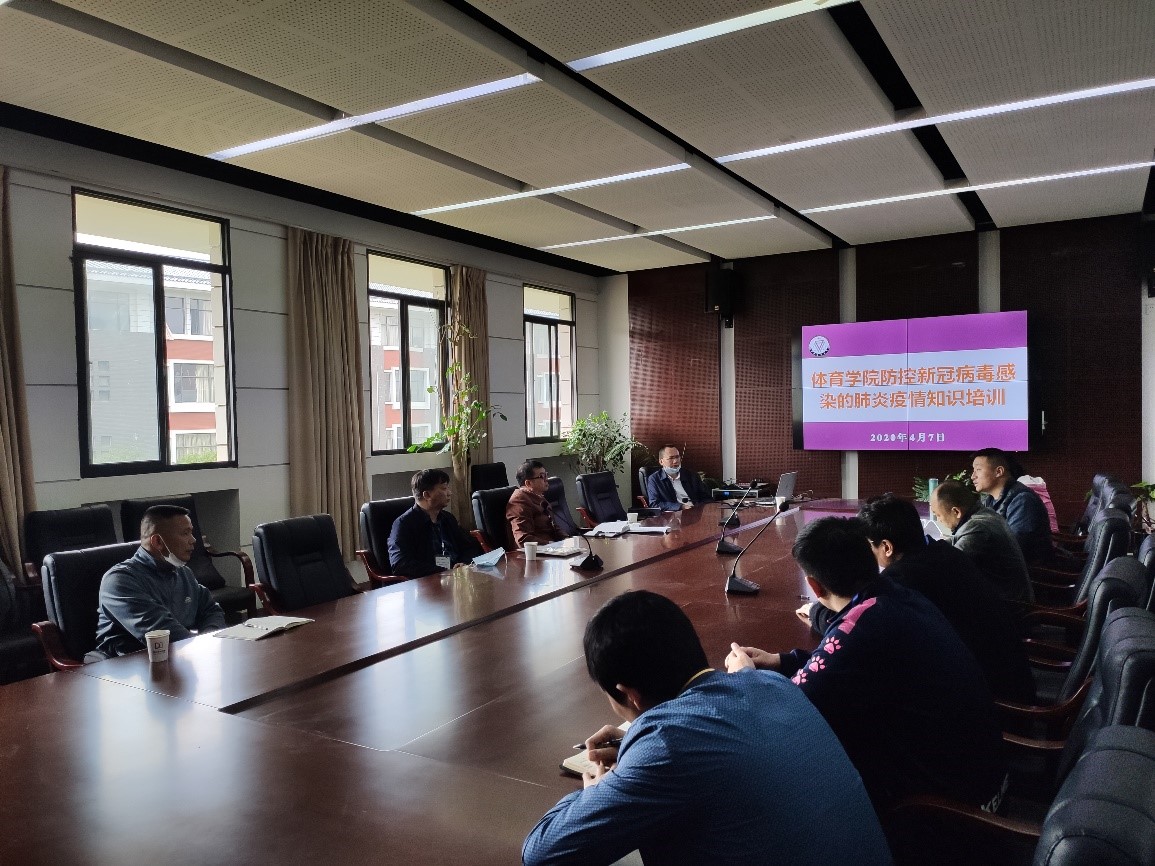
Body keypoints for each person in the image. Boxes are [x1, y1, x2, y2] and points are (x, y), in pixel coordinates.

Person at [523, 590, 891, 866]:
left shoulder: (668, 745)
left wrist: (595, 793)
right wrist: (637, 750)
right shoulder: (771, 683)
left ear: (629, 693)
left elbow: (542, 852)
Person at [726, 517, 1007, 813]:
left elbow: (788, 710)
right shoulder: (894, 595)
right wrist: (782, 661)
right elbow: (847, 665)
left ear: (814, 587)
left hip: (947, 808)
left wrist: (746, 676)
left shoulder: (862, 625)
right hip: (986, 773)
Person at [812, 494, 1034, 703]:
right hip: (1011, 675)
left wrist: (816, 611)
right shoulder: (946, 552)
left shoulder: (901, 581)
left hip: (991, 698)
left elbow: (858, 631)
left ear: (887, 547)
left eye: (867, 545)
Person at [90, 504, 225, 660]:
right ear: (158, 542)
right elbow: (161, 634)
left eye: (191, 532)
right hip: (125, 666)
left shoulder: (183, 573)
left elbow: (212, 610)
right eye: (185, 533)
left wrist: (209, 638)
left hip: (178, 656)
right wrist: (202, 647)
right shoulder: (119, 580)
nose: (193, 540)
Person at [931, 481, 1034, 604]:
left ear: (956, 512)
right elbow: (953, 542)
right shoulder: (984, 514)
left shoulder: (978, 527)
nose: (939, 520)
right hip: (1004, 598)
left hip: (1010, 606)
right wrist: (928, 546)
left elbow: (949, 566)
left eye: (938, 515)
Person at [388, 469, 482, 577]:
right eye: (444, 488)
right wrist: (444, 571)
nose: (449, 493)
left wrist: (463, 563)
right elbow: (400, 564)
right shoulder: (404, 524)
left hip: (456, 578)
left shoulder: (448, 518)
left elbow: (469, 547)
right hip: (428, 581)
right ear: (427, 495)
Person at [971, 447, 1053, 564]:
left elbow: (1014, 546)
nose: (973, 476)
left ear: (999, 471)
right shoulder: (990, 500)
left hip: (1026, 570)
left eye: (978, 469)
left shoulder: (1022, 500)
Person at [506, 460, 568, 549]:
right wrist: (552, 545)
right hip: (535, 553)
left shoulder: (538, 496)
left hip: (552, 549)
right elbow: (523, 539)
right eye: (542, 476)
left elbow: (554, 527)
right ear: (528, 483)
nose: (546, 479)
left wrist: (567, 540)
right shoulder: (519, 501)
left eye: (546, 475)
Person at [644, 445, 711, 511]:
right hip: (672, 514)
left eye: (677, 457)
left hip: (696, 511)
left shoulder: (692, 475)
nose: (675, 461)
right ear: (661, 461)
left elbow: (706, 497)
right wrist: (681, 507)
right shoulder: (654, 479)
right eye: (671, 458)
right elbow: (654, 504)